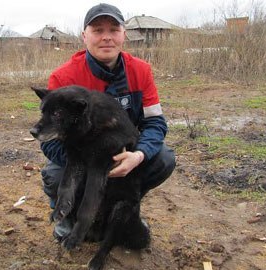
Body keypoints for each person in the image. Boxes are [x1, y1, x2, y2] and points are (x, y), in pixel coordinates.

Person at [40, 3, 176, 239]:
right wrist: (90, 163)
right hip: (82, 157)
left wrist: (138, 155)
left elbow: (155, 123)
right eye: (97, 30)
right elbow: (50, 141)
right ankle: (67, 215)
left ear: (124, 35)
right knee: (55, 176)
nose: (106, 38)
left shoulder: (141, 71)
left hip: (123, 152)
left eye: (113, 30)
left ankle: (124, 210)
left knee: (163, 159)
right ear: (84, 36)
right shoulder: (64, 78)